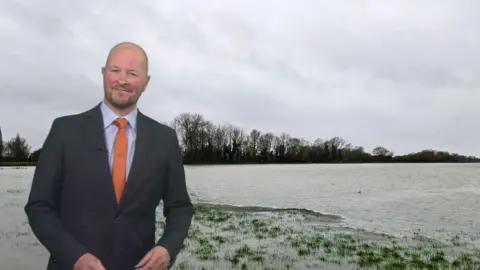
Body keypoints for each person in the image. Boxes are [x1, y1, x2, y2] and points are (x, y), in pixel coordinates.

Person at [24, 42, 194, 270]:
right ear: (104, 73)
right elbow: (39, 206)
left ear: (146, 82)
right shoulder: (64, 131)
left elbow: (180, 207)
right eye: (115, 70)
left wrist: (168, 248)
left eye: (132, 73)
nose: (122, 80)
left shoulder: (165, 139)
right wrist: (74, 257)